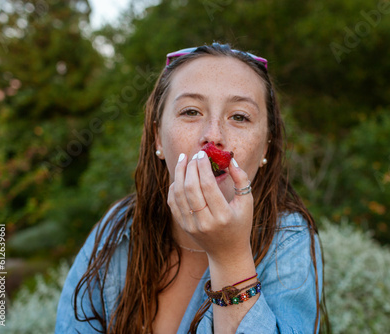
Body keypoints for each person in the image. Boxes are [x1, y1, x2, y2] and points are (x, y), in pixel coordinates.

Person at [55, 43, 329, 334]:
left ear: (266, 146)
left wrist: (230, 257)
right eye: (190, 111)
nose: (213, 136)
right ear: (158, 138)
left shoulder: (289, 239)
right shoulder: (117, 228)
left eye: (239, 116)